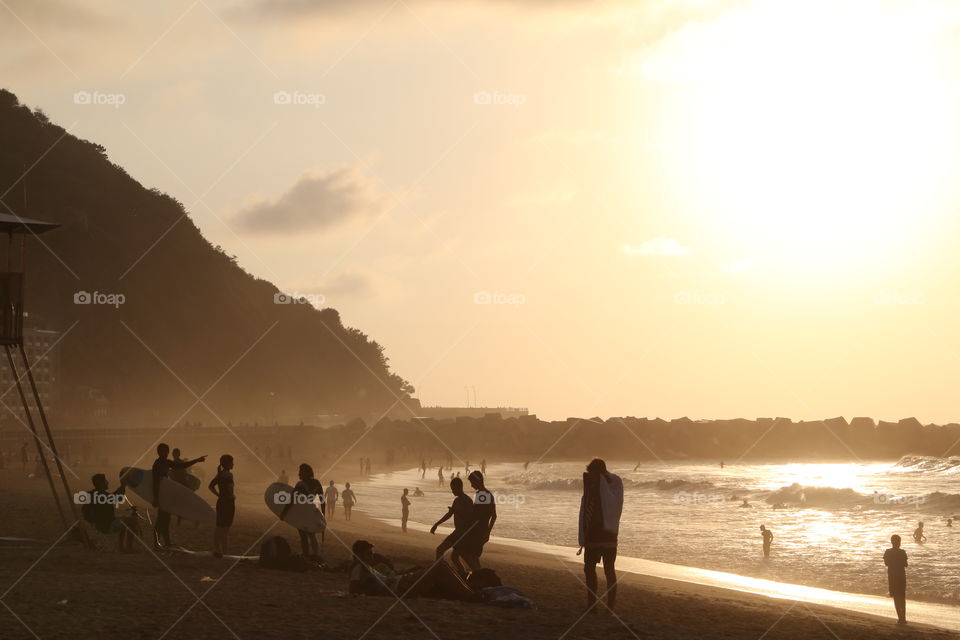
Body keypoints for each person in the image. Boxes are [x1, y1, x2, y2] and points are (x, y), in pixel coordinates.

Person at [348, 539, 473, 600]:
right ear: (358, 555)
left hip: (400, 583)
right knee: (440, 566)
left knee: (441, 568)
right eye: (368, 554)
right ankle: (471, 595)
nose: (371, 557)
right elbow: (353, 590)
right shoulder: (358, 567)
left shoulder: (365, 568)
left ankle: (469, 593)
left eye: (371, 554)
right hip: (400, 587)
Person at [578, 457, 623, 614]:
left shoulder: (610, 484)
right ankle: (602, 606)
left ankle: (595, 605)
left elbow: (604, 505)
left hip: (598, 536)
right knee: (606, 570)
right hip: (609, 536)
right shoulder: (613, 484)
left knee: (593, 569)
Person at [151, 443, 205, 549]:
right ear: (158, 452)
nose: (165, 453)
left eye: (166, 451)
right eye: (163, 451)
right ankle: (156, 542)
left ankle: (167, 542)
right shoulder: (157, 464)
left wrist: (196, 460)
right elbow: (155, 482)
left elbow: (181, 466)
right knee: (161, 519)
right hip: (161, 494)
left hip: (167, 494)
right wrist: (156, 498)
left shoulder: (167, 462)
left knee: (166, 519)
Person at [430, 477, 474, 576]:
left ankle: (439, 571)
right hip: (458, 532)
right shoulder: (457, 500)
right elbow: (450, 514)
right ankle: (463, 574)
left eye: (453, 489)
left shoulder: (467, 501)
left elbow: (470, 519)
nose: (452, 491)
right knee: (454, 557)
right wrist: (436, 524)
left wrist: (457, 511)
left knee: (440, 550)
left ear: (459, 487)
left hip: (463, 534)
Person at [82, 473, 137, 552]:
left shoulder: (92, 494)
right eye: (105, 481)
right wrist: (123, 486)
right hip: (107, 525)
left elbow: (85, 511)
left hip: (100, 525)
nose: (107, 482)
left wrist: (93, 521)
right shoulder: (101, 495)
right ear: (101, 483)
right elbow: (116, 498)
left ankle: (121, 547)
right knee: (133, 521)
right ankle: (129, 548)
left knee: (124, 519)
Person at [283, 463, 324, 557]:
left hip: (301, 512)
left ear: (306, 472)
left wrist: (283, 513)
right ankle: (316, 555)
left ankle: (306, 554)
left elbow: (291, 500)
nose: (298, 474)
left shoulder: (300, 484)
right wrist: (322, 516)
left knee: (303, 535)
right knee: (312, 534)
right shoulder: (317, 483)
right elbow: (322, 501)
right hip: (311, 511)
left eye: (300, 471)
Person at [463, 470, 497, 571]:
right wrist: (488, 531)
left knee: (469, 555)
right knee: (471, 556)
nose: (471, 485)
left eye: (472, 482)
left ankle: (478, 576)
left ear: (478, 481)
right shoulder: (486, 494)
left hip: (478, 531)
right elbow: (494, 515)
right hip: (481, 530)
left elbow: (478, 516)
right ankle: (477, 575)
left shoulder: (482, 494)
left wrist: (486, 532)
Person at [208, 454, 235, 558]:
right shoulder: (229, 475)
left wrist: (219, 495)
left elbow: (210, 486)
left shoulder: (219, 474)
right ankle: (224, 551)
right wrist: (231, 496)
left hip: (221, 502)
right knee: (225, 528)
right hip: (228, 503)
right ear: (228, 463)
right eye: (232, 462)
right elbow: (229, 488)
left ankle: (217, 549)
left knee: (219, 527)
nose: (233, 464)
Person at [884, 534, 908, 624]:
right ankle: (903, 617)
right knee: (902, 597)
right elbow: (905, 564)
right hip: (901, 576)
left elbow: (886, 563)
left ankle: (900, 617)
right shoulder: (902, 552)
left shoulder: (888, 552)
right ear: (899, 542)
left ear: (892, 542)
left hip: (892, 576)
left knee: (896, 597)